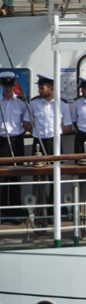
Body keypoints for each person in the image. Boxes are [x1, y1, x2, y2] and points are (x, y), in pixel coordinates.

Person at [25, 74, 73, 221]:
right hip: (38, 142)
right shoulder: (34, 104)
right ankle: (41, 210)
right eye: (39, 88)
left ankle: (54, 210)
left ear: (51, 88)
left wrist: (56, 133)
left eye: (42, 88)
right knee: (39, 177)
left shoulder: (62, 105)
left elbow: (68, 126)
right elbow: (26, 122)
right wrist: (36, 132)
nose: (39, 91)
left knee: (55, 177)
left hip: (55, 143)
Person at [0, 71, 28, 222]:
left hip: (17, 141)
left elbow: (25, 122)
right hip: (1, 141)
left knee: (16, 177)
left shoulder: (21, 103)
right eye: (6, 85)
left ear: (14, 85)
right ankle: (3, 212)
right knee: (2, 178)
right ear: (2, 85)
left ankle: (16, 211)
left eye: (11, 85)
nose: (8, 88)